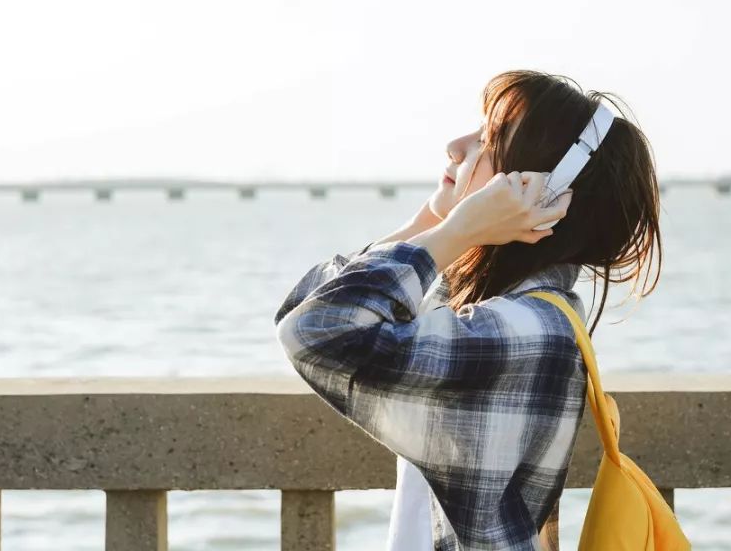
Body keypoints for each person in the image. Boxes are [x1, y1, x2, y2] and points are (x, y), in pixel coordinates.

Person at [273, 70, 663, 551]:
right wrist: (434, 221)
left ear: (539, 191)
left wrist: (454, 231)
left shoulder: (532, 330)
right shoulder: (475, 304)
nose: (455, 147)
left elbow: (317, 331)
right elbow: (306, 303)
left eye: (489, 140)